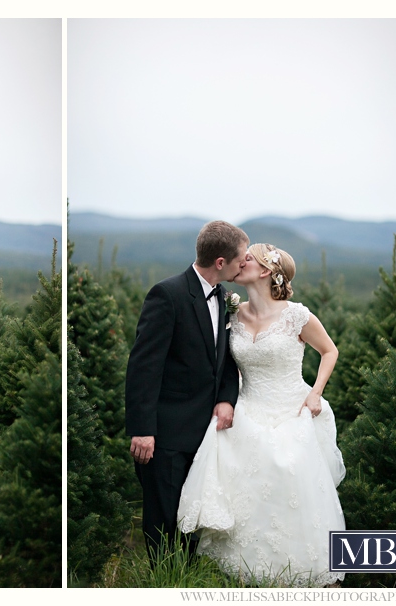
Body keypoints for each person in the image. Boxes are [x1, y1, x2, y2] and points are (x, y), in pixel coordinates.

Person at [177, 243, 346, 587]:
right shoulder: (233, 313)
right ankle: (243, 574)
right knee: (245, 490)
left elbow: (330, 351)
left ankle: (293, 573)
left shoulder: (296, 315)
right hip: (248, 409)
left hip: (291, 409)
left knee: (288, 481)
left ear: (267, 271)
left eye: (249, 259)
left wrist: (316, 393)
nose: (241, 263)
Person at [125, 220, 249, 562]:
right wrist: (142, 430)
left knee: (192, 515)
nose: (245, 264)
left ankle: (188, 578)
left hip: (205, 432)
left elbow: (225, 361)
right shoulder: (167, 294)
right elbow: (143, 367)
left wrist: (226, 398)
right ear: (221, 262)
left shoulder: (225, 298)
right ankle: (165, 583)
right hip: (165, 432)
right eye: (241, 258)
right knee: (163, 517)